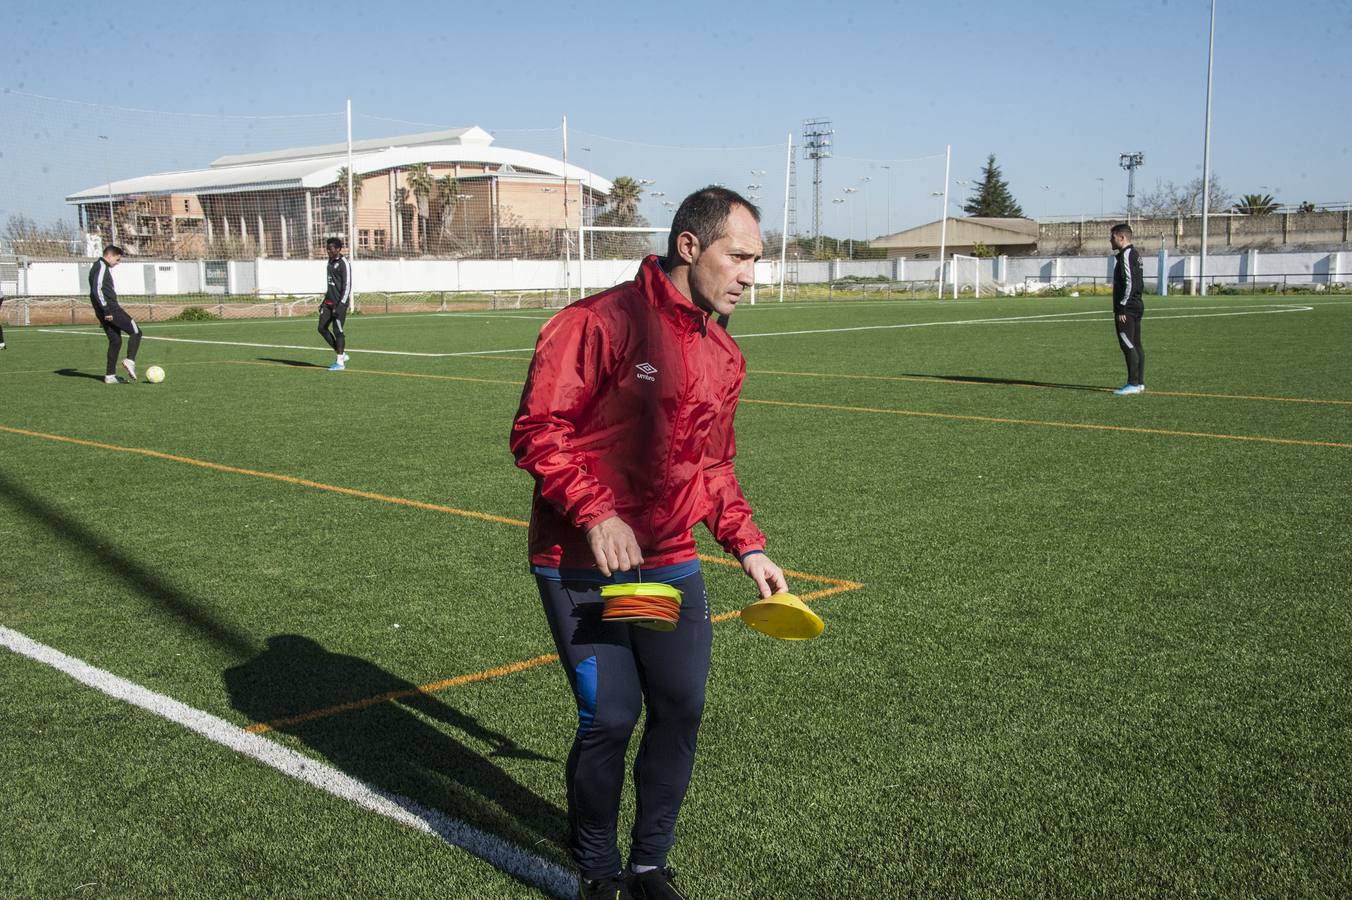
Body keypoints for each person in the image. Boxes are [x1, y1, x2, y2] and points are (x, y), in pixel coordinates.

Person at [510, 187, 787, 900]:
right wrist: (597, 513)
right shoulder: (597, 323)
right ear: (689, 247)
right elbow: (539, 431)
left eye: (756, 259)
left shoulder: (724, 354)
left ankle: (647, 866)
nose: (751, 275)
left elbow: (713, 466)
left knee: (678, 708)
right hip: (579, 563)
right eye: (740, 256)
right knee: (609, 718)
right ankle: (598, 870)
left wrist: (747, 545)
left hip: (665, 562)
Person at [87, 245, 141, 384]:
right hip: (110, 309)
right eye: (117, 260)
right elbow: (97, 289)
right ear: (109, 256)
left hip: (103, 310)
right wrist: (106, 310)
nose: (118, 263)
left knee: (116, 341)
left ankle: (110, 376)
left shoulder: (98, 266)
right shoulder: (101, 266)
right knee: (136, 331)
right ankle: (130, 361)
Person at [1110, 223, 1145, 395]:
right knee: (1136, 344)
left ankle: (1132, 383)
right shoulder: (1135, 254)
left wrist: (1122, 307)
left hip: (1128, 307)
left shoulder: (1127, 255)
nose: (1110, 240)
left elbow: (1130, 282)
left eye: (1113, 237)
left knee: (1128, 344)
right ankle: (1139, 383)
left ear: (1121, 237)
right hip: (1136, 304)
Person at [319, 237, 352, 371]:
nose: (328, 251)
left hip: (339, 303)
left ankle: (340, 363)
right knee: (321, 328)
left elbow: (347, 285)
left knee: (338, 330)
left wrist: (341, 304)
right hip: (328, 302)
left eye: (331, 248)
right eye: (327, 248)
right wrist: (323, 302)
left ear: (338, 249)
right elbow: (330, 284)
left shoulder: (344, 263)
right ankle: (342, 354)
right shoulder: (330, 262)